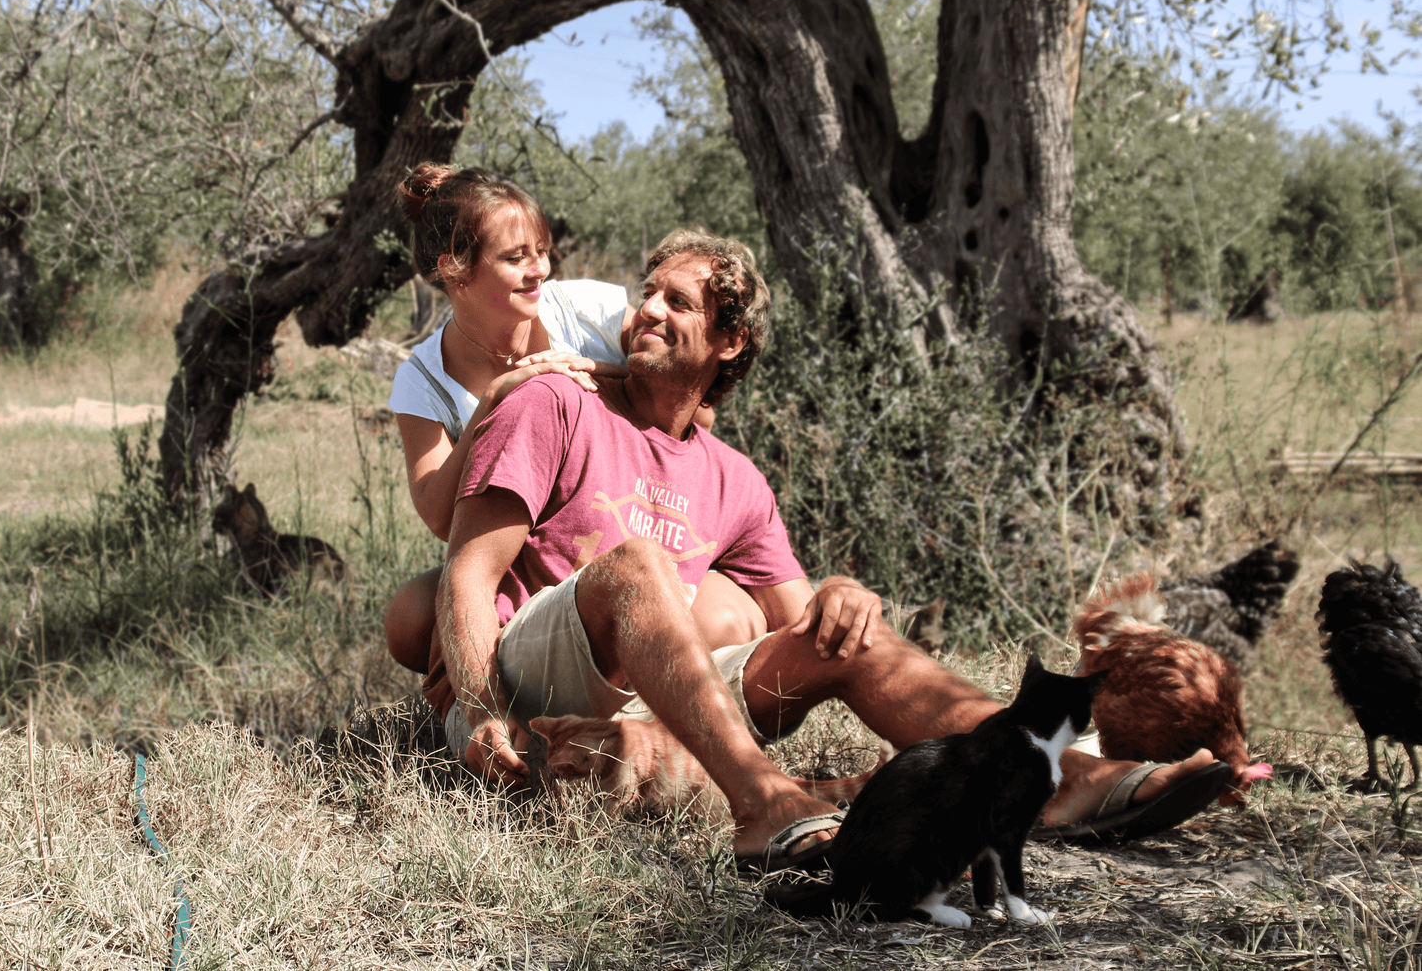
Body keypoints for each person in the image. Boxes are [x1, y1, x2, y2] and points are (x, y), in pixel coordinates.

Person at [435, 227, 1231, 866]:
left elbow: (805, 627)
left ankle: (1057, 776)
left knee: (848, 629)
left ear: (731, 341)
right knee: (639, 562)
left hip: (660, 691)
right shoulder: (556, 400)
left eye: (675, 300)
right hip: (531, 674)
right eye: (647, 294)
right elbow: (468, 571)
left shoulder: (734, 478)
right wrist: (478, 707)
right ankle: (763, 803)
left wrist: (844, 594)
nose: (646, 310)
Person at [383, 166, 766, 710]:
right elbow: (441, 517)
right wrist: (496, 400)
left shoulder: (588, 310)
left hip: (625, 516)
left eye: (541, 251)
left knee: (728, 616)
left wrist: (588, 369)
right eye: (515, 258)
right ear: (453, 268)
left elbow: (692, 400)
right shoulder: (421, 380)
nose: (539, 270)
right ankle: (498, 688)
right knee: (411, 617)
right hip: (513, 542)